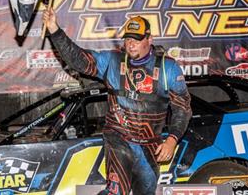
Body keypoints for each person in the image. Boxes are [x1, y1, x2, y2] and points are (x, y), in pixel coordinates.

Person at [42, 10, 192, 195]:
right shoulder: (112, 61)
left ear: (149, 39)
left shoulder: (167, 67)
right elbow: (79, 60)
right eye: (128, 38)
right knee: (115, 191)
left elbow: (182, 108)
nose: (131, 43)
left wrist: (172, 140)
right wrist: (54, 30)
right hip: (119, 139)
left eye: (136, 39)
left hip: (150, 146)